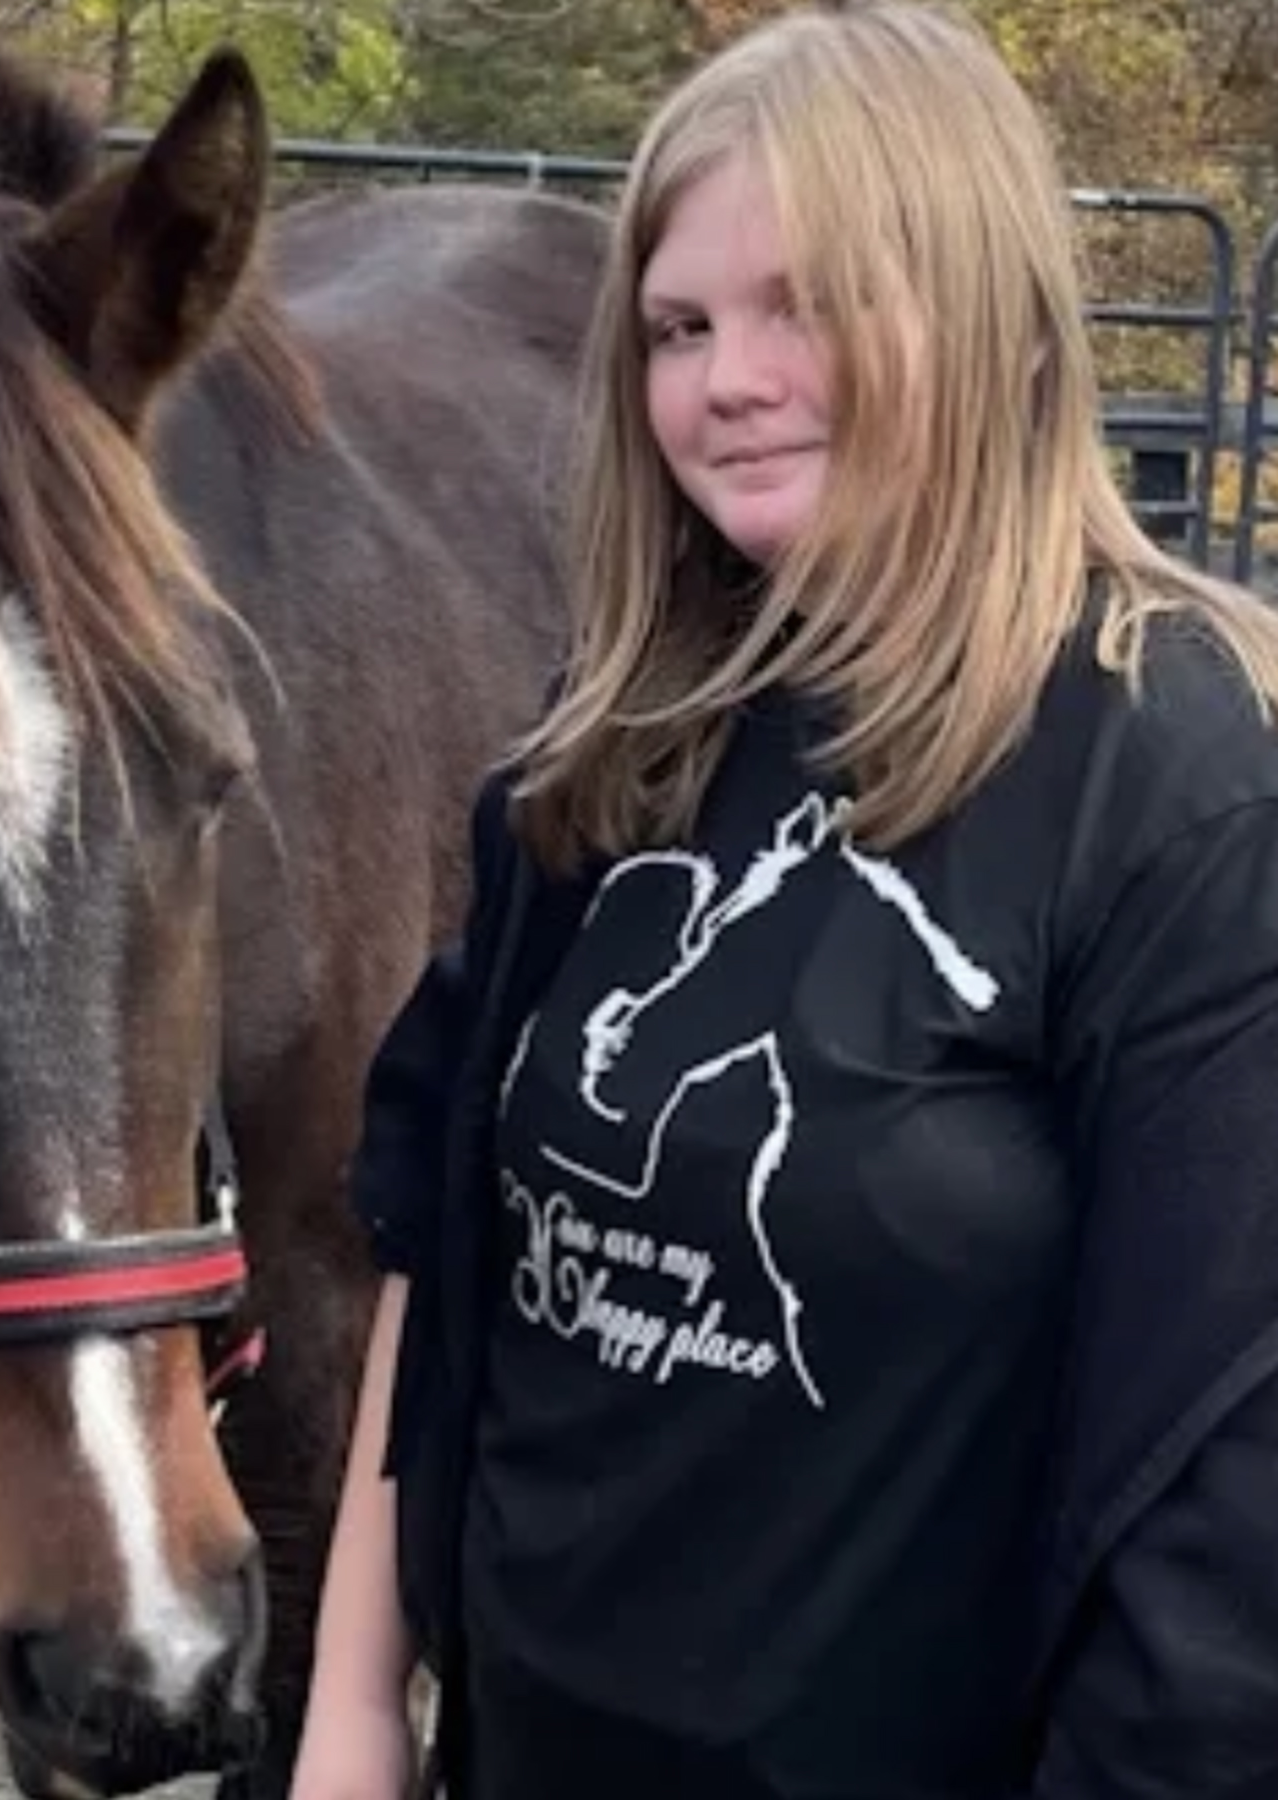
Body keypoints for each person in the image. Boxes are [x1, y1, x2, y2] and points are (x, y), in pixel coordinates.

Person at [287, 1, 1278, 1796]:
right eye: (679, 327)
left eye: (802, 304)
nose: (727, 381)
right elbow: (444, 1229)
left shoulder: (1174, 777)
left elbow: (1225, 1509)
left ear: (981, 305)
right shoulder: (619, 743)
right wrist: (354, 1719)